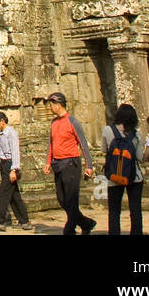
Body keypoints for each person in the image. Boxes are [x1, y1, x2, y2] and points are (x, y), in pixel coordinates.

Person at [41, 92, 96, 235]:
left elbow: (83, 143)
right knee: (62, 198)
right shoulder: (54, 122)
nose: (50, 107)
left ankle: (69, 229)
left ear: (58, 105)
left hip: (71, 163)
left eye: (51, 104)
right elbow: (51, 143)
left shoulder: (72, 121)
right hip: (57, 164)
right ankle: (86, 223)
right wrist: (48, 161)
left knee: (71, 198)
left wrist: (89, 165)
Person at [101, 103, 144, 235]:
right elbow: (139, 157)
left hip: (114, 175)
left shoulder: (108, 130)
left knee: (114, 211)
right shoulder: (136, 134)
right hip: (134, 176)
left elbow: (104, 150)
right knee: (135, 209)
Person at [0, 112, 32, 231]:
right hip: (4, 164)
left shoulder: (12, 133)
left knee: (3, 193)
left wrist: (14, 169)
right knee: (14, 196)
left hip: (10, 165)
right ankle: (24, 221)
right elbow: (0, 153)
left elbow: (15, 152)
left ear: (2, 121)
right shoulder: (2, 134)